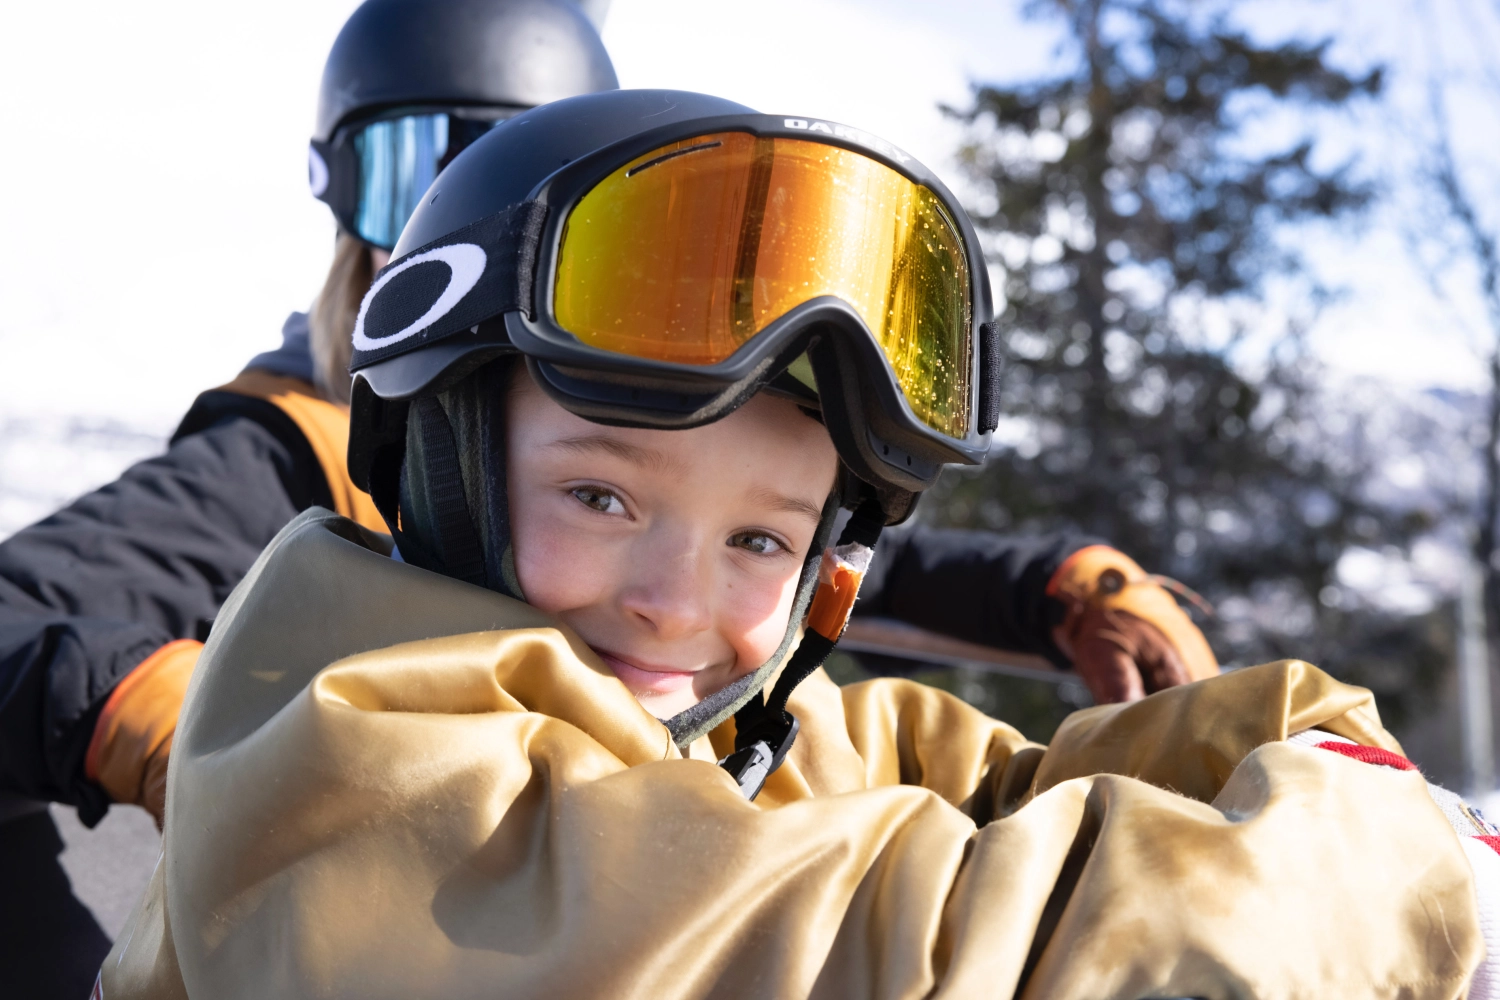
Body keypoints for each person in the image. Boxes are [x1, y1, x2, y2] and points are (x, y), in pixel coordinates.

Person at [100, 89, 1496, 999]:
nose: (675, 601)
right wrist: (1411, 873)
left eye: (761, 540)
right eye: (602, 499)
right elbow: (966, 954)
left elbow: (972, 777)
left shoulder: (710, 722)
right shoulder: (369, 785)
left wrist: (1292, 738)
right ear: (447, 465)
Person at [0, 1, 616, 995]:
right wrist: (198, 733)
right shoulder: (294, 458)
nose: (460, 237)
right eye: (414, 174)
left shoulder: (658, 467)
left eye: (526, 194)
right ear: (347, 209)